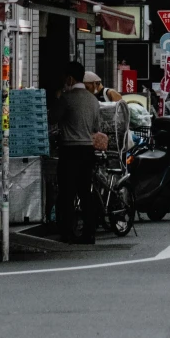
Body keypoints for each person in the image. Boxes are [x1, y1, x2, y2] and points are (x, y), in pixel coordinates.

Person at [51, 65, 103, 243]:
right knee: (85, 192)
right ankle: (90, 233)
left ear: (70, 79)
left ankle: (68, 233)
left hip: (70, 150)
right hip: (88, 150)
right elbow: (97, 127)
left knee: (67, 192)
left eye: (66, 78)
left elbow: (53, 119)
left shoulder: (66, 98)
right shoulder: (93, 100)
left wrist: (58, 98)